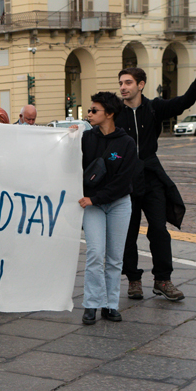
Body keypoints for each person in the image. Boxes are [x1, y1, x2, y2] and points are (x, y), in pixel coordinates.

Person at [116, 54, 196, 302]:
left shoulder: (154, 107)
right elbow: (94, 125)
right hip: (126, 181)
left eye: (128, 82)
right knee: (128, 233)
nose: (123, 87)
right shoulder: (114, 112)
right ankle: (134, 280)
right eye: (121, 83)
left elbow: (183, 102)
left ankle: (163, 280)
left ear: (140, 85)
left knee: (159, 230)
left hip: (151, 177)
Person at [78, 92, 138, 326]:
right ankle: (91, 304)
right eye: (89, 110)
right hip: (92, 204)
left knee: (114, 258)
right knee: (95, 253)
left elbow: (124, 181)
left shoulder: (126, 143)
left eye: (94, 111)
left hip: (118, 204)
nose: (89, 114)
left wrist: (96, 198)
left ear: (109, 114)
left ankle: (110, 305)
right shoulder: (84, 138)